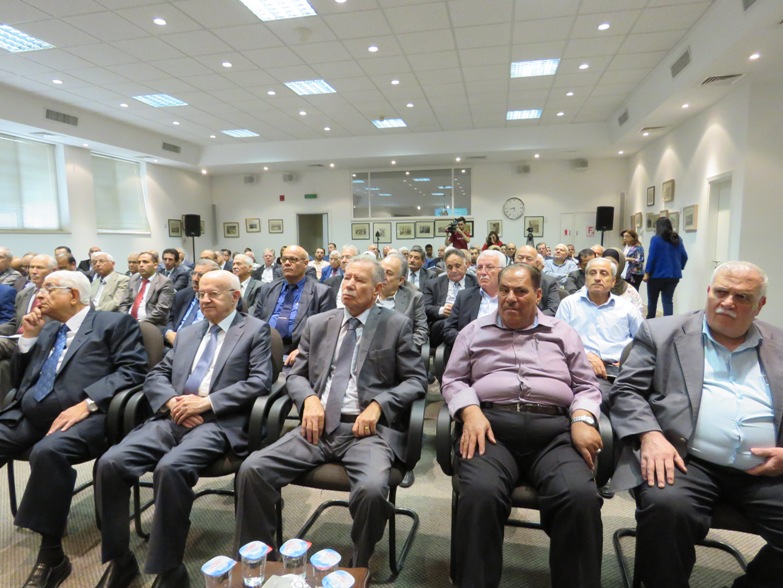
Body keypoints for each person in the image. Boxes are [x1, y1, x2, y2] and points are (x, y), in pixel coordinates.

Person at [234, 256, 427, 568]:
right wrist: (309, 399)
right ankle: (261, 562)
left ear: (377, 289)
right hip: (317, 427)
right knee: (253, 470)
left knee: (372, 492)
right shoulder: (319, 323)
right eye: (347, 277)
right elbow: (295, 375)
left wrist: (379, 405)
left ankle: (359, 565)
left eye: (359, 280)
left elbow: (416, 380)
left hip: (366, 431)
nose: (348, 284)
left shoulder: (395, 325)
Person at [610, 261, 783, 588]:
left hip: (768, 470)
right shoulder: (661, 333)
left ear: (760, 305)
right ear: (708, 292)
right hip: (686, 461)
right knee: (665, 508)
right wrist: (650, 435)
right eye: (721, 292)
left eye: (742, 297)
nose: (728, 302)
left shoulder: (779, 344)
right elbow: (626, 390)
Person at [95, 270, 272, 588]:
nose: (205, 300)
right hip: (172, 416)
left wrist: (205, 404)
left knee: (171, 468)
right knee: (110, 462)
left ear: (235, 297)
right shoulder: (189, 332)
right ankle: (120, 559)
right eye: (201, 293)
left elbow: (260, 381)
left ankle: (170, 570)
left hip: (216, 421)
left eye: (213, 294)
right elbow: (156, 374)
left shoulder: (255, 330)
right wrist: (172, 402)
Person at [442, 263, 603, 588]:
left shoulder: (562, 332)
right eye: (504, 291)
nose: (510, 298)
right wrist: (470, 411)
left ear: (538, 295)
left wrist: (582, 418)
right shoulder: (473, 331)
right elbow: (453, 380)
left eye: (520, 291)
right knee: (480, 494)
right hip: (491, 430)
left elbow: (587, 386)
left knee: (579, 497)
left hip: (554, 432)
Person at [0, 271, 147, 588]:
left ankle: (51, 556)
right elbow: (19, 380)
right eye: (40, 288)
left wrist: (89, 403)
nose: (40, 294)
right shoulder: (48, 328)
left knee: (47, 452)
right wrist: (28, 339)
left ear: (74, 295)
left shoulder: (113, 323)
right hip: (29, 414)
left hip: (86, 417)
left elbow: (134, 371)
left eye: (49, 289)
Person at [556, 258, 642, 401]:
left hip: (622, 370)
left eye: (603, 273)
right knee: (609, 399)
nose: (597, 278)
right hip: (584, 368)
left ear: (613, 281)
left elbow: (642, 341)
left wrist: (628, 359)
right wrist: (585, 355)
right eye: (592, 273)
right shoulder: (569, 304)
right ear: (585, 279)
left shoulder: (627, 308)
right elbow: (559, 340)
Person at [252, 245, 336, 366]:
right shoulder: (267, 289)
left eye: (293, 259)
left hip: (300, 354)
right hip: (265, 351)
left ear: (305, 263)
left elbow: (327, 332)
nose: (287, 263)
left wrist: (305, 350)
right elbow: (256, 322)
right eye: (284, 259)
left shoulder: (322, 292)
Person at [442, 249, 506, 348]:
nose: (483, 272)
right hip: (470, 350)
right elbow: (448, 331)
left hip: (503, 350)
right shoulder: (464, 297)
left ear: (503, 271)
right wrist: (471, 341)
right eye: (479, 267)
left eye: (489, 267)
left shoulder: (512, 298)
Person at [422, 248, 477, 348]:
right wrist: (441, 310)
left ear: (466, 265)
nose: (453, 271)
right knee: (446, 325)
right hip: (443, 324)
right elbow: (425, 307)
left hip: (468, 322)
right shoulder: (433, 285)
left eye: (457, 266)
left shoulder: (476, 283)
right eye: (449, 267)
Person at [378, 252, 429, 351]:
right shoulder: (366, 294)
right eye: (381, 271)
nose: (383, 276)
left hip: (399, 351)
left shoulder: (414, 298)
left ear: (401, 280)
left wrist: (404, 350)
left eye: (389, 273)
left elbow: (421, 331)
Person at [164, 259, 221, 346]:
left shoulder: (219, 301)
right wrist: (169, 332)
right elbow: (171, 319)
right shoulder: (182, 295)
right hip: (173, 344)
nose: (194, 278)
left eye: (200, 275)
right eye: (194, 273)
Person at [644, 217, 688, 318]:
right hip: (673, 276)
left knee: (652, 301)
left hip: (656, 276)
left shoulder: (655, 239)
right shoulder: (677, 239)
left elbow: (652, 257)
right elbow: (685, 256)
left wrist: (647, 272)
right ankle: (668, 324)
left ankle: (650, 323)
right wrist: (678, 267)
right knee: (668, 301)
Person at [119, 251, 174, 327]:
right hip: (128, 322)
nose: (141, 265)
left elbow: (161, 310)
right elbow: (124, 303)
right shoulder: (134, 278)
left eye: (145, 262)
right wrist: (125, 319)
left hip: (151, 324)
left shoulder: (164, 282)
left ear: (155, 265)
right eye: (139, 262)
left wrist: (138, 323)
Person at [514, 245, 560, 316]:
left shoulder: (548, 281)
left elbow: (553, 309)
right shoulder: (505, 279)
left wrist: (532, 318)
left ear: (536, 263)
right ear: (514, 260)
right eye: (520, 258)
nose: (523, 261)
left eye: (529, 259)